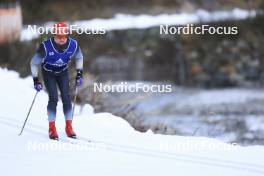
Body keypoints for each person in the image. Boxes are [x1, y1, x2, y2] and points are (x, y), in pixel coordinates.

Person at [30, 22, 84, 140]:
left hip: (63, 72)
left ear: (67, 35)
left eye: (63, 36)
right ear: (54, 35)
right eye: (58, 36)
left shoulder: (73, 44)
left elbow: (79, 57)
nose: (61, 39)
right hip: (48, 72)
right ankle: (52, 127)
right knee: (53, 98)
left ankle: (69, 126)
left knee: (66, 97)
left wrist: (79, 74)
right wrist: (36, 80)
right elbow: (34, 63)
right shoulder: (45, 46)